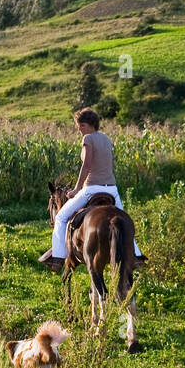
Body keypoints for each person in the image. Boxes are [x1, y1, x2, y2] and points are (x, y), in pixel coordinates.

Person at [40, 107, 143, 267]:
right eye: (78, 126)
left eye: (82, 125)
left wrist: (76, 189)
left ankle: (58, 258)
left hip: (91, 189)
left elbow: (87, 165)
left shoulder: (88, 139)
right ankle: (136, 255)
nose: (79, 129)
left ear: (91, 125)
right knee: (124, 220)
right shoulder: (106, 139)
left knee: (60, 218)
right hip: (112, 190)